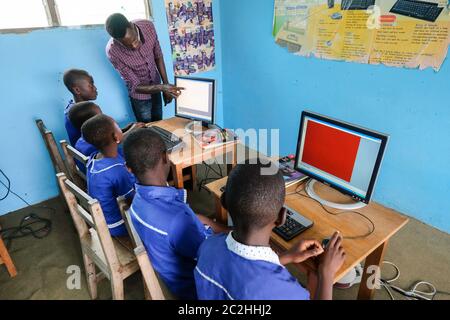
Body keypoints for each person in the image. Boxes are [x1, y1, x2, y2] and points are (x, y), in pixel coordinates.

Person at [194, 161, 346, 300]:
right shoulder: (284, 292)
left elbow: (242, 271)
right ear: (281, 217)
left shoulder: (208, 246)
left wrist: (286, 257)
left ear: (225, 203)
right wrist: (326, 274)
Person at [123, 128, 229, 299]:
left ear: (128, 168)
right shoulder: (178, 219)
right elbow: (210, 256)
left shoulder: (137, 202)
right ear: (166, 157)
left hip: (171, 274)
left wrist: (212, 224)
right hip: (195, 288)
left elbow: (190, 222)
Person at [105, 13, 184, 123]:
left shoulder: (148, 26)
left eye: (135, 40)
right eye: (127, 45)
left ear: (132, 26)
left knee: (158, 122)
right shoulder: (112, 52)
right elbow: (136, 86)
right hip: (139, 96)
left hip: (156, 84)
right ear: (117, 41)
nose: (134, 46)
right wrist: (163, 87)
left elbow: (158, 56)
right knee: (145, 127)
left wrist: (165, 86)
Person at [82, 114, 136, 237]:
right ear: (116, 136)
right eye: (117, 126)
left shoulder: (94, 157)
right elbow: (132, 200)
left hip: (104, 218)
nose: (120, 128)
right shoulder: (118, 170)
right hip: (118, 225)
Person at [63, 69, 98, 146]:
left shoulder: (70, 107)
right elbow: (106, 139)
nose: (95, 88)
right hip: (92, 154)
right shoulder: (83, 113)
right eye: (91, 85)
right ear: (77, 90)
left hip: (82, 152)